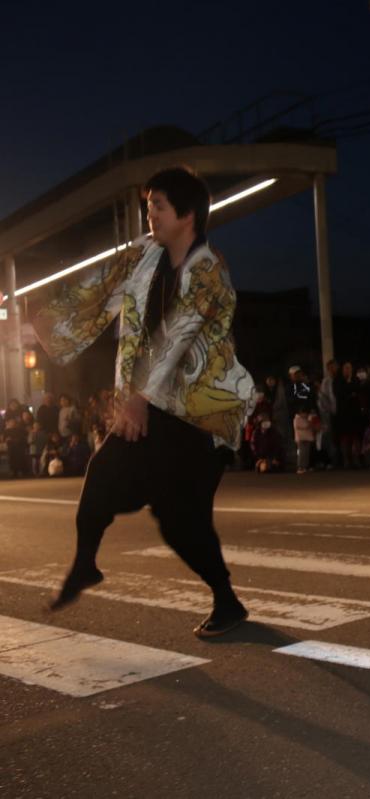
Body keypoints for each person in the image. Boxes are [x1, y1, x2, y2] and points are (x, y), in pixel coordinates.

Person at [27, 166, 255, 638]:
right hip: (152, 407)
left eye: (158, 205)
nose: (148, 213)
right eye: (147, 204)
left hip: (201, 415)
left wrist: (137, 398)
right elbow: (99, 291)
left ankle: (227, 601)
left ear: (187, 215)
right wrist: (47, 315)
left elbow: (179, 333)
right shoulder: (143, 257)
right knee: (105, 469)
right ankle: (86, 565)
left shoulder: (210, 270)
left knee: (180, 520)